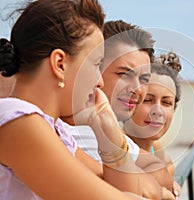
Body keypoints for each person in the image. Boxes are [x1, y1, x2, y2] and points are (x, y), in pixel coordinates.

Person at [0, 0, 161, 199]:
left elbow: (131, 189)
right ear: (59, 64)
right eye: (95, 64)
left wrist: (105, 126)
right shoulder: (18, 121)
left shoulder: (54, 131)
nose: (99, 81)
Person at [67, 19, 176, 197]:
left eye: (144, 79)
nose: (137, 89)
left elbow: (161, 173)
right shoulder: (79, 129)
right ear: (95, 69)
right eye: (124, 74)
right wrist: (155, 189)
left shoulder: (106, 127)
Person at [123, 52, 182, 198]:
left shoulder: (161, 156)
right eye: (148, 100)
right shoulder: (115, 146)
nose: (158, 110)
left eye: (167, 103)